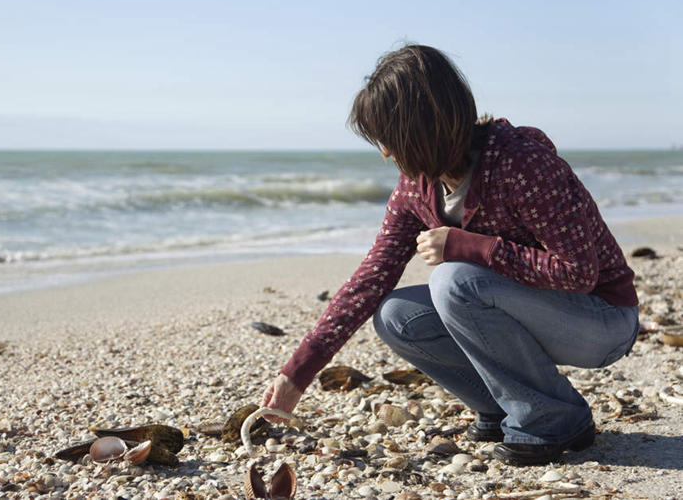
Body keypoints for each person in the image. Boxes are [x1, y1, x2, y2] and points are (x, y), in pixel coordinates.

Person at [259, 44, 639, 466]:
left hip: (601, 320)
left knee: (453, 280)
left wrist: (464, 244)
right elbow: (371, 278)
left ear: (422, 127)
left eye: (389, 137)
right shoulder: (415, 188)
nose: (385, 152)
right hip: (532, 312)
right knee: (395, 315)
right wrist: (298, 372)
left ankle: (554, 418)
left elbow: (577, 273)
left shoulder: (521, 164)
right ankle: (503, 405)